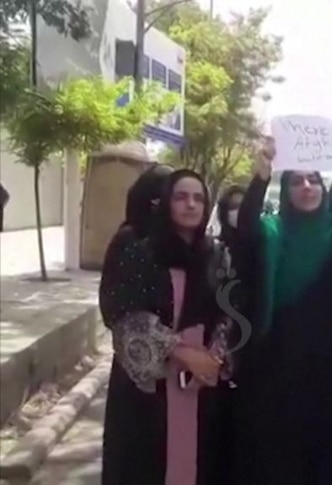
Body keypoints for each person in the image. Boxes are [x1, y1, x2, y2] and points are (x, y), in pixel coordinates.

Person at [232, 136, 332, 484]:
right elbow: (245, 227)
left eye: (313, 179)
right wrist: (261, 174)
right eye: (296, 181)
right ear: (286, 190)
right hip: (280, 357)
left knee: (330, 445)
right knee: (282, 446)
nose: (307, 186)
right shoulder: (272, 229)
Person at [99, 169, 234, 484]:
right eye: (181, 197)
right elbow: (123, 314)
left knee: (201, 462)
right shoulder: (139, 250)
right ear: (166, 203)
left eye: (199, 198)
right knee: (147, 464)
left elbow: (231, 311)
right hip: (150, 390)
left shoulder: (216, 254)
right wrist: (180, 352)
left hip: (200, 384)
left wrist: (214, 356)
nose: (191, 205)